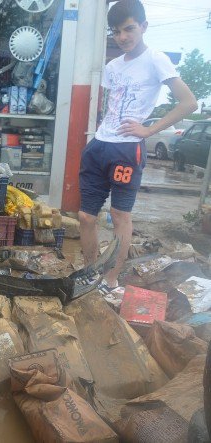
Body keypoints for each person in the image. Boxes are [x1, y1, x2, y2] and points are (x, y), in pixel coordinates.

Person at [78, 0, 197, 291]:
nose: (123, 37)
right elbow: (112, 105)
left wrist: (149, 129)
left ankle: (110, 278)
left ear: (143, 27)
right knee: (85, 216)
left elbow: (189, 103)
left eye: (129, 29)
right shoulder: (112, 65)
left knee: (120, 214)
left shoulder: (156, 59)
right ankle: (90, 270)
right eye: (116, 32)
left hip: (127, 149)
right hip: (100, 145)